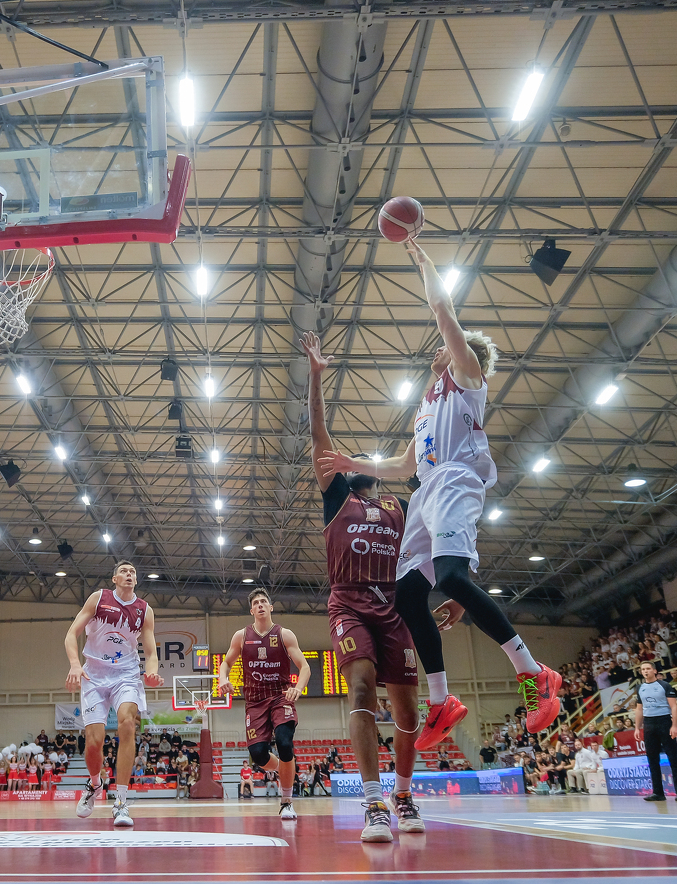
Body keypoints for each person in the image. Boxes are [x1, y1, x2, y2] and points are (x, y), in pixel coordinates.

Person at [321, 242, 563, 754]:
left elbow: (442, 309)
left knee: (451, 578)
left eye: (446, 346)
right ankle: (441, 700)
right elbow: (404, 467)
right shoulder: (427, 404)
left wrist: (421, 257)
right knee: (408, 596)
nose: (437, 350)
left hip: (456, 480)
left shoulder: (468, 377)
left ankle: (532, 670)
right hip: (428, 489)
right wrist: (351, 465)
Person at [302, 333, 454, 840]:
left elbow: (436, 546)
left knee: (408, 710)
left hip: (396, 606)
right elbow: (318, 433)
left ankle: (403, 795)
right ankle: (373, 803)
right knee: (362, 687)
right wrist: (316, 376)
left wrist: (455, 591)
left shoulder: (402, 507)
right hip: (349, 603)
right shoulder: (336, 496)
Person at [63, 561, 162, 828]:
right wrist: (75, 665)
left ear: (136, 580)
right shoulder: (99, 599)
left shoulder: (144, 610)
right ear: (115, 578)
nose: (129, 574)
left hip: (126, 674)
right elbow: (71, 634)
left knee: (127, 723)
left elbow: (151, 652)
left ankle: (121, 801)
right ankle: (95, 784)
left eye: (133, 572)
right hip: (94, 675)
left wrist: (152, 672)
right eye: (124, 571)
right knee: (94, 741)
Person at [215, 588, 312, 820]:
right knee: (258, 755)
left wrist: (298, 689)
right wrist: (222, 679)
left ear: (270, 607)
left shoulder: (284, 634)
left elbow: (305, 667)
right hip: (255, 700)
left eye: (263, 602)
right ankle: (284, 768)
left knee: (285, 743)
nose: (260, 605)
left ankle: (286, 801)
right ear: (251, 610)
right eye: (256, 602)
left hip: (280, 696)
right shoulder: (241, 636)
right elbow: (225, 663)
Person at [634, 663, 677, 803]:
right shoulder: (640, 688)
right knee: (652, 759)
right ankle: (658, 792)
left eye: (648, 668)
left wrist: (674, 725)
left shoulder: (665, 685)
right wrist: (637, 727)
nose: (645, 671)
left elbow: (674, 707)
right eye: (643, 669)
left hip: (664, 721)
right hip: (649, 724)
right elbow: (639, 709)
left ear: (654, 671)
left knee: (673, 757)